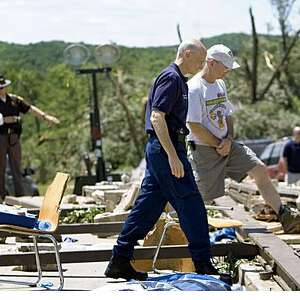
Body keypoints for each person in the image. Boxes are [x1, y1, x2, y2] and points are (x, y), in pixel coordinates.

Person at [105, 39, 218, 281]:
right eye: (199, 60)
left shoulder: (179, 80)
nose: (200, 66)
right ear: (186, 53)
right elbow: (158, 117)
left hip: (164, 148)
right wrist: (172, 156)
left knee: (148, 207)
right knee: (191, 204)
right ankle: (203, 264)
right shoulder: (171, 78)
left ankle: (119, 260)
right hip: (165, 149)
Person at [186, 44, 300, 234]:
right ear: (211, 63)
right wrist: (218, 143)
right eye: (225, 66)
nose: (228, 71)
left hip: (226, 144)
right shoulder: (195, 88)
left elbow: (228, 114)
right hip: (204, 149)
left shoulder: (220, 84)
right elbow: (194, 125)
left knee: (259, 169)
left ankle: (284, 215)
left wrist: (229, 138)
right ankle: (186, 227)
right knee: (202, 195)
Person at [0, 74, 60, 201]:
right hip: (1, 136)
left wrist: (45, 117)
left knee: (16, 166)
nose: (1, 90)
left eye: (3, 87)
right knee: (1, 166)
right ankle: (2, 198)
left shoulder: (14, 100)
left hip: (14, 137)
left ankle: (20, 198)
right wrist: (5, 119)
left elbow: (30, 109)